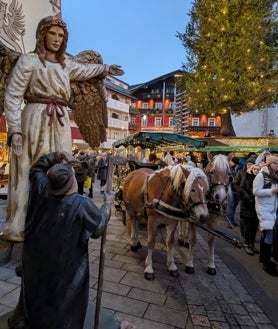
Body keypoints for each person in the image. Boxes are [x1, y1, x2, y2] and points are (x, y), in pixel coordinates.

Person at [2, 16, 124, 242]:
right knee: (30, 169)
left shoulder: (65, 66)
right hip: (35, 118)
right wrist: (15, 130)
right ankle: (23, 222)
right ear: (42, 35)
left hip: (60, 123)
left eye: (61, 35)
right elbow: (12, 95)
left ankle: (61, 217)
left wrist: (106, 68)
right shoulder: (28, 62)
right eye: (52, 34)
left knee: (62, 167)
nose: (57, 39)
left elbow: (87, 70)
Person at [20, 151, 113, 329]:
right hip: (68, 266)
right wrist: (107, 205)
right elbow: (98, 229)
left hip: (39, 261)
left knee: (41, 300)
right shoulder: (81, 203)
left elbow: (37, 168)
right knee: (66, 305)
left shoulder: (41, 189)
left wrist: (58, 155)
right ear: (71, 181)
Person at [253, 155, 278, 276]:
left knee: (265, 234)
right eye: (275, 163)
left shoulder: (275, 177)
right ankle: (267, 264)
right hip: (264, 208)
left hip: (272, 209)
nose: (277, 165)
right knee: (268, 235)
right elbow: (256, 192)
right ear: (269, 164)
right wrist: (272, 191)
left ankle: (263, 258)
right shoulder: (261, 176)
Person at [233, 163, 260, 255]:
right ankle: (247, 244)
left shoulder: (260, 178)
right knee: (248, 225)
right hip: (247, 203)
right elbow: (238, 186)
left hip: (257, 205)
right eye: (255, 169)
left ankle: (252, 244)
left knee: (254, 224)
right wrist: (245, 195)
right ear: (252, 169)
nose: (257, 170)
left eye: (258, 169)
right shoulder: (246, 176)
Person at [225, 157, 242, 227]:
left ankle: (232, 220)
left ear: (234, 162)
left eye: (231, 161)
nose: (229, 163)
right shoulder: (228, 168)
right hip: (230, 189)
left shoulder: (240, 168)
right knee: (230, 206)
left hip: (238, 189)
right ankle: (229, 222)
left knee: (234, 206)